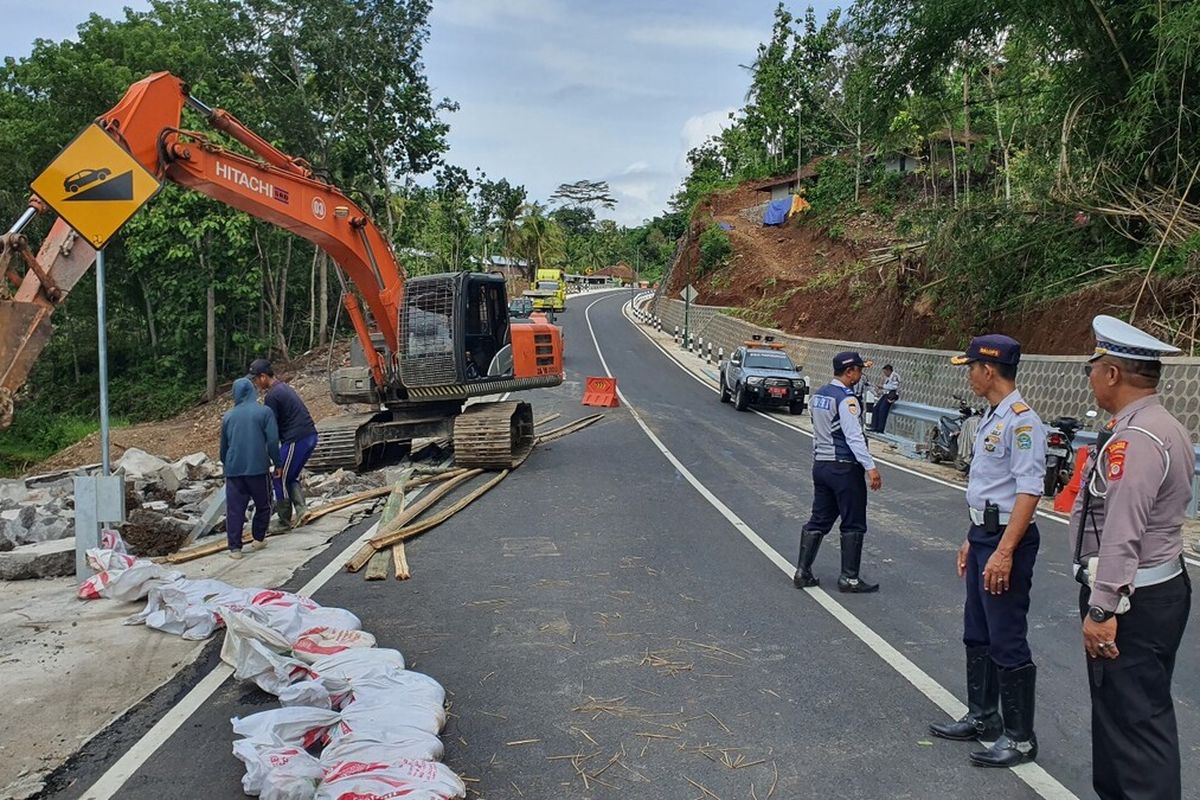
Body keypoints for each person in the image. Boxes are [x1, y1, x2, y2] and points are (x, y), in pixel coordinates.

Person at [1070, 315, 1191, 800]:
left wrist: (1102, 608)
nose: (1091, 379)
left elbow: (1123, 530)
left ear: (1113, 373)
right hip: (1154, 589)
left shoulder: (1135, 439)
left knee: (1136, 723)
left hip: (1131, 599)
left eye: (1093, 368)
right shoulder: (1163, 425)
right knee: (1126, 714)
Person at [929, 334, 1045, 767]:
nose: (969, 374)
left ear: (989, 370)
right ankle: (983, 718)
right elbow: (989, 491)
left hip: (1004, 542)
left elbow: (1029, 492)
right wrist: (971, 536)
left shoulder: (1022, 421)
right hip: (984, 536)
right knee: (976, 631)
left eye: (971, 367)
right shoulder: (994, 416)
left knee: (1006, 635)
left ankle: (1019, 738)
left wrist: (1003, 551)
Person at [794, 351, 883, 593]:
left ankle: (802, 572)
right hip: (844, 467)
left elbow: (816, 429)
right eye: (858, 370)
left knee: (819, 519)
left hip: (821, 465)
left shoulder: (819, 395)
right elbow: (854, 436)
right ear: (849, 371)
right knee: (853, 522)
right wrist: (870, 467)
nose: (860, 374)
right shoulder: (847, 399)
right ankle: (849, 579)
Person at [248, 359, 318, 527]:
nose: (255, 383)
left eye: (255, 379)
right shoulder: (283, 388)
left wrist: (269, 454)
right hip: (309, 436)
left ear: (263, 377)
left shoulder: (272, 396)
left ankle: (284, 519)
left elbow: (272, 430)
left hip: (296, 439)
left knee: (279, 477)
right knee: (289, 475)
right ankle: (302, 511)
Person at [219, 377, 282, 559]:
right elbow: (272, 441)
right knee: (264, 504)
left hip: (234, 470)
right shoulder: (264, 412)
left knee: (235, 509)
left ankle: (235, 548)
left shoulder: (228, 416)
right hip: (258, 468)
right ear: (252, 391)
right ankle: (258, 538)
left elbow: (224, 446)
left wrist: (227, 463)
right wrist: (277, 463)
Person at [870, 365, 901, 433]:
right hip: (886, 394)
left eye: (885, 372)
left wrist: (883, 386)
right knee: (876, 408)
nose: (884, 374)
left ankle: (880, 428)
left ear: (888, 370)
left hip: (892, 395)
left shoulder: (895, 376)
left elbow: (894, 387)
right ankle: (874, 426)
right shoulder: (888, 378)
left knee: (882, 410)